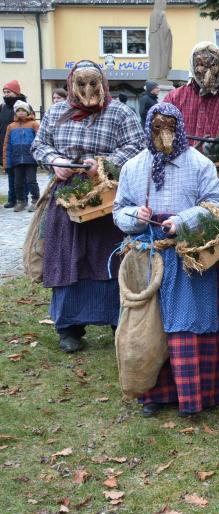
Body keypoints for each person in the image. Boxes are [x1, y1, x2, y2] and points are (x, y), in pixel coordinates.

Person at [114, 102, 219, 418]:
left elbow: (218, 206)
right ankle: (153, 393)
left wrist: (184, 220)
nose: (164, 135)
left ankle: (196, 394)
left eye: (170, 128)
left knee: (188, 322)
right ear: (148, 129)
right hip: (147, 257)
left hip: (187, 257)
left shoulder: (199, 164)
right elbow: (118, 209)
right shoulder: (134, 167)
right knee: (151, 326)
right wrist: (135, 216)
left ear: (179, 129)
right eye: (157, 129)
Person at [31, 61, 143, 353]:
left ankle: (116, 319)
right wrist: (56, 162)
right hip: (67, 196)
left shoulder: (119, 111)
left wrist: (104, 163)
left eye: (94, 84)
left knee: (108, 256)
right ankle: (68, 327)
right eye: (81, 85)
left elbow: (137, 145)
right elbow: (39, 145)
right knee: (67, 256)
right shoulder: (56, 112)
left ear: (103, 83)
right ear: (71, 85)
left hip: (105, 195)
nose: (88, 91)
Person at [163, 42, 219, 140]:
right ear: (193, 66)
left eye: (213, 65)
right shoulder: (174, 99)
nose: (207, 72)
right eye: (201, 64)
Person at [1, 100, 40, 212]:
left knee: (31, 181)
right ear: (15, 113)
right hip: (16, 159)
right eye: (18, 110)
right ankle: (21, 201)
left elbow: (39, 141)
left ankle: (35, 200)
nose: (21, 112)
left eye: (23, 110)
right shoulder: (11, 126)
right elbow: (7, 145)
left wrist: (38, 157)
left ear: (28, 112)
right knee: (17, 182)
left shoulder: (34, 124)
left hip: (30, 159)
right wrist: (7, 163)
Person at [2, 80, 27, 209]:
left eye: (9, 92)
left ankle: (23, 199)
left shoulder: (23, 106)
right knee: (10, 173)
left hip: (22, 146)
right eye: (4, 92)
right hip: (7, 146)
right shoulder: (3, 108)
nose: (6, 95)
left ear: (16, 92)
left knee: (24, 175)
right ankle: (12, 199)